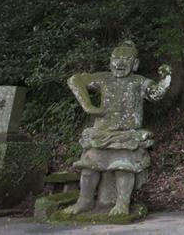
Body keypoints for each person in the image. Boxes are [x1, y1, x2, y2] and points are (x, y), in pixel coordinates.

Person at [64, 40, 172, 216]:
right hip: (102, 133)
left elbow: (156, 93)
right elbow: (75, 80)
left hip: (127, 135)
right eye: (116, 58)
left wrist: (166, 78)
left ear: (135, 63)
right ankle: (84, 201)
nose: (119, 63)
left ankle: (122, 203)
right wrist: (88, 106)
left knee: (124, 166)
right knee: (89, 166)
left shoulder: (138, 81)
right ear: (110, 61)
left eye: (126, 59)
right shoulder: (103, 78)